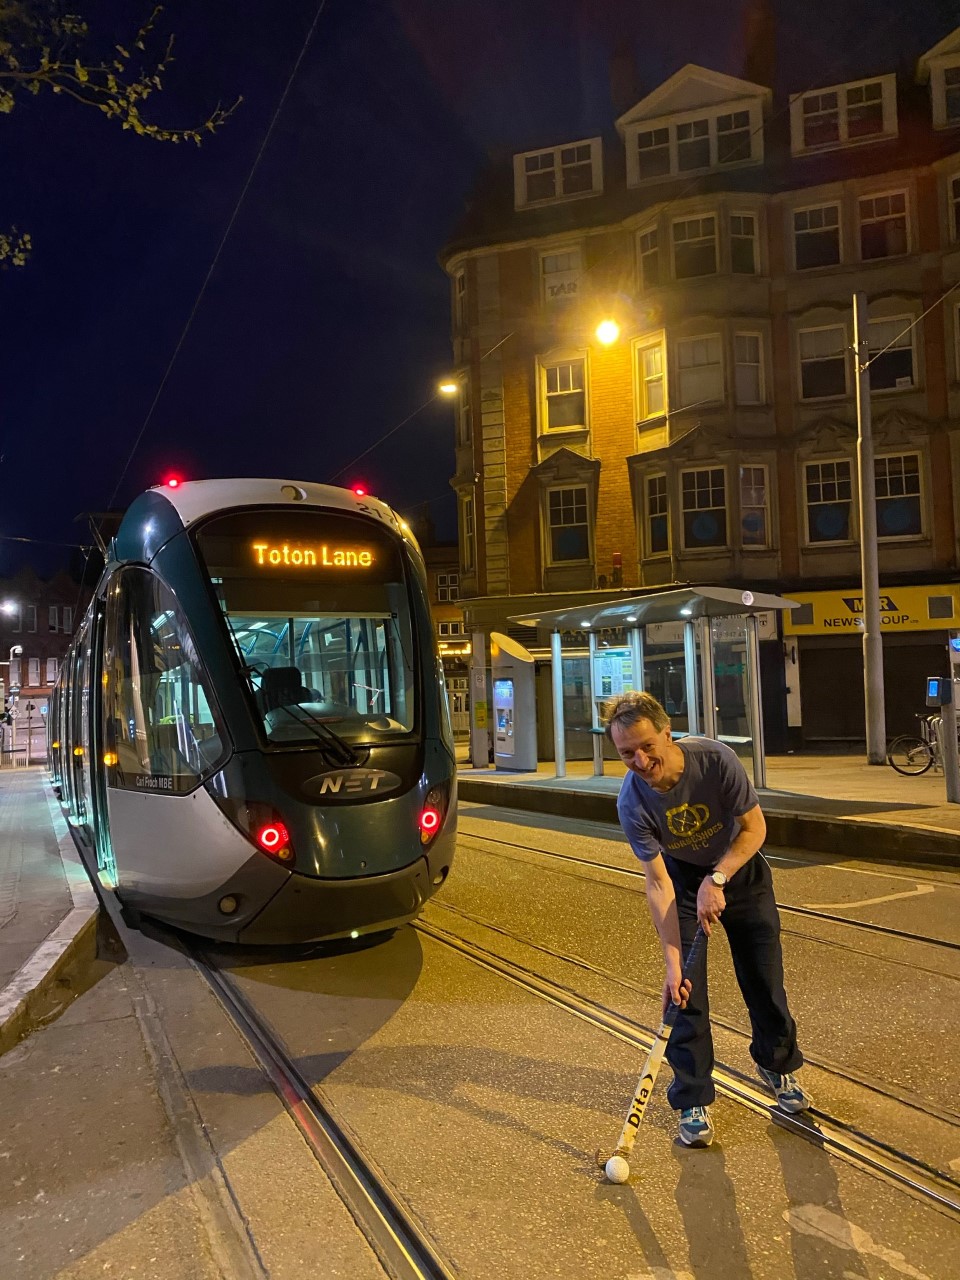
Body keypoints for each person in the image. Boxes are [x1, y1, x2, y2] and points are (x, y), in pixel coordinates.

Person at [604, 690, 811, 1148]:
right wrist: (672, 962)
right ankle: (692, 1097)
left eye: (646, 747)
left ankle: (778, 1065)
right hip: (681, 881)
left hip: (739, 871)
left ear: (666, 734)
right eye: (626, 754)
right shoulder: (632, 804)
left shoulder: (716, 761)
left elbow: (755, 828)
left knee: (764, 980)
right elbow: (658, 884)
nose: (639, 760)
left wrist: (718, 878)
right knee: (685, 996)